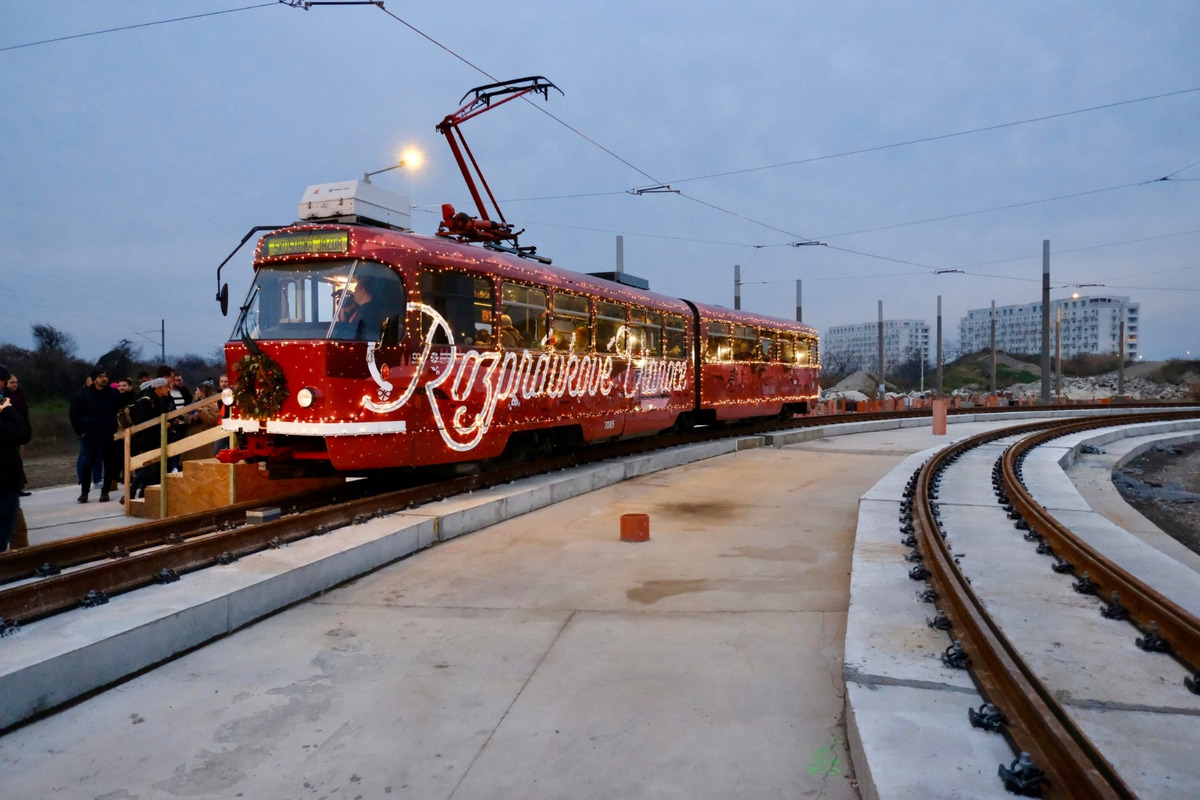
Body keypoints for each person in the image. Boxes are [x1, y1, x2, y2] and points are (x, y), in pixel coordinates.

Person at [73, 369, 121, 503]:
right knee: (88, 462)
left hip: (109, 432)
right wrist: (81, 431)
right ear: (94, 379)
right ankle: (84, 492)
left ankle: (105, 491)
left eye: (105, 376)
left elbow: (120, 411)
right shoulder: (84, 395)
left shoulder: (113, 394)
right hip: (91, 433)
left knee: (109, 462)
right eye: (100, 376)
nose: (104, 379)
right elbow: (75, 414)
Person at [0, 365, 32, 552]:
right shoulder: (3, 402)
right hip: (5, 476)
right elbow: (22, 432)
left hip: (9, 475)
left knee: (14, 518)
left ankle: (21, 552)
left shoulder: (8, 399)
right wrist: (6, 409)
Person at [126, 378, 172, 501]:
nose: (168, 389)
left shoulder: (159, 400)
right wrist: (161, 425)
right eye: (166, 387)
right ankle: (131, 491)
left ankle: (142, 492)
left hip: (155, 437)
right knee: (150, 466)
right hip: (147, 439)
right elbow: (141, 421)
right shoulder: (146, 401)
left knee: (154, 467)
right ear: (158, 388)